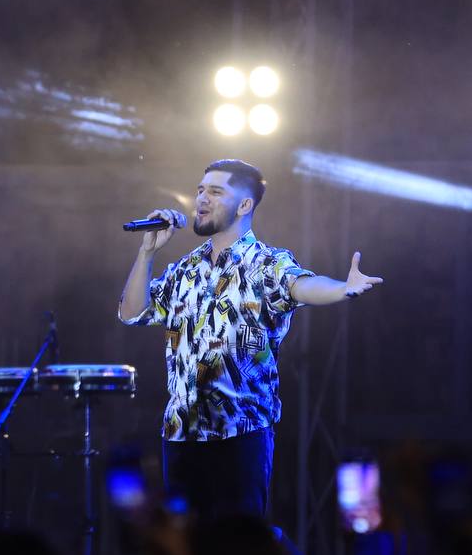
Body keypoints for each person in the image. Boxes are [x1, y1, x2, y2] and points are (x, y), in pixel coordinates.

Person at [118, 158, 382, 519]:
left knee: (236, 546)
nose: (202, 199)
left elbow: (301, 286)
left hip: (240, 435)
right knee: (186, 547)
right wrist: (147, 252)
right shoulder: (185, 269)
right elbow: (132, 312)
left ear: (244, 205)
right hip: (181, 435)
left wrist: (341, 288)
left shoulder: (265, 263)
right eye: (200, 190)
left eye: (215, 192)